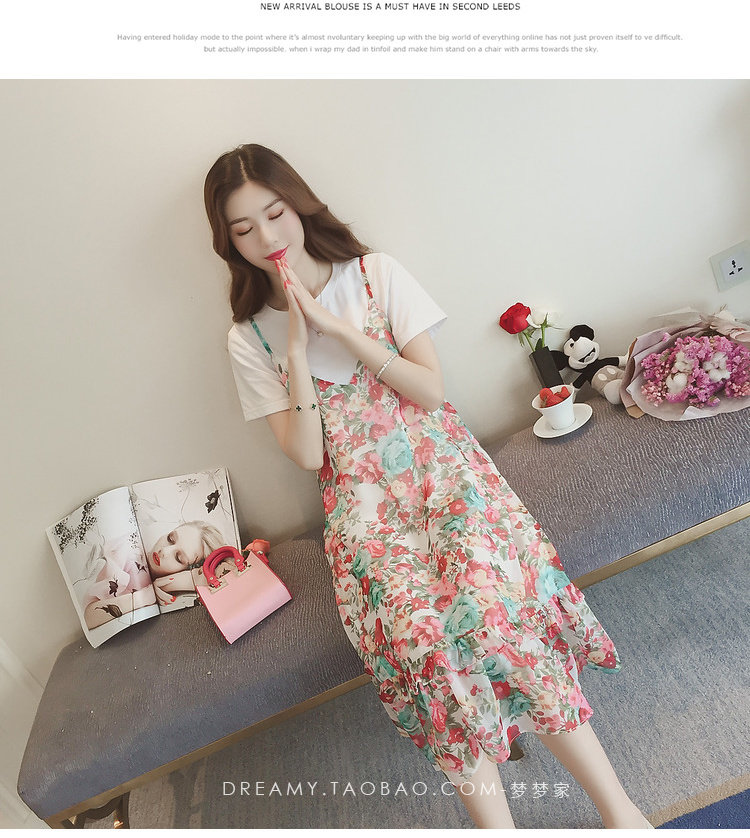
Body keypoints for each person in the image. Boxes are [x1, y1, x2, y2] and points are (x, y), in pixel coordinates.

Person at [203, 143, 654, 829]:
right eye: (243, 229)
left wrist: (338, 330)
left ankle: (621, 815)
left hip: (447, 479)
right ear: (228, 242)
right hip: (365, 513)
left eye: (275, 213)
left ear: (299, 204)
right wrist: (295, 346)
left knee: (496, 619)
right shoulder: (250, 339)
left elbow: (431, 393)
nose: (267, 238)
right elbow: (307, 453)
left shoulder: (375, 276)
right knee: (428, 652)